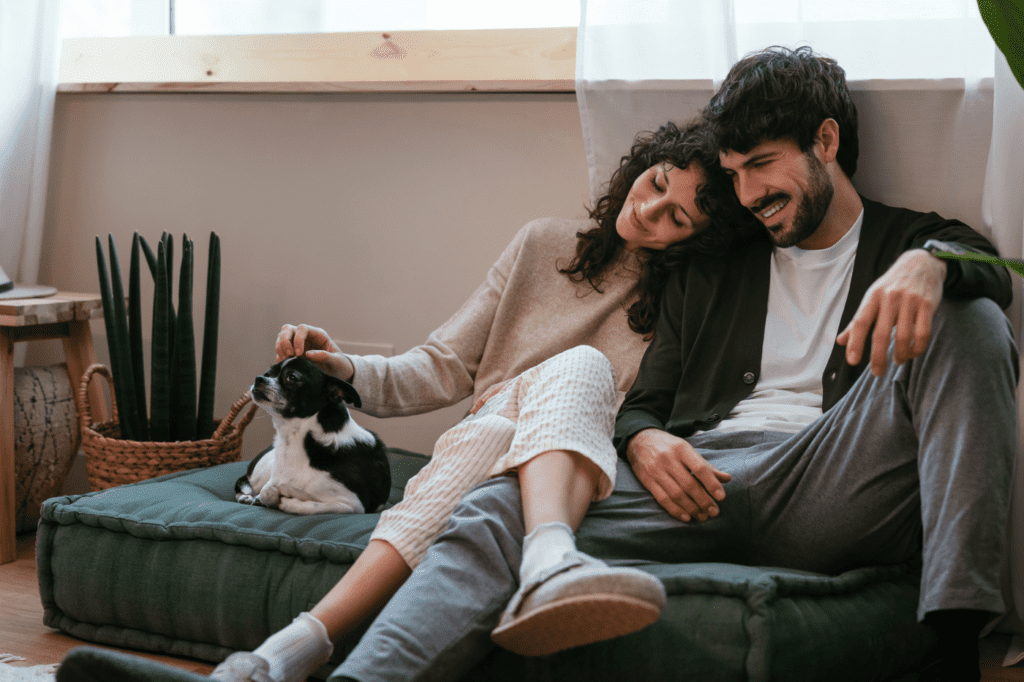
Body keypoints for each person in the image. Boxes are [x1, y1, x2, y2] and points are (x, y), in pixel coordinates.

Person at [312, 46, 1017, 682]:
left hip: (831, 478)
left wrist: (930, 266)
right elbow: (647, 398)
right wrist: (644, 439)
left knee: (973, 317)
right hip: (697, 482)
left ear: (826, 142)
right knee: (503, 505)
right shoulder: (713, 270)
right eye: (736, 174)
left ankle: (956, 641)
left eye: (763, 166)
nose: (748, 196)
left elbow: (990, 270)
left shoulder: (912, 240)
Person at [203, 119, 759, 682]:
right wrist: (344, 368)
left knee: (569, 377)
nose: (649, 210)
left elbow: (635, 414)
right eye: (656, 183)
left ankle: (288, 650)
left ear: (696, 240)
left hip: (564, 465)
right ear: (643, 166)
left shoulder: (683, 306)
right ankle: (548, 560)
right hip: (487, 437)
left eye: (677, 217)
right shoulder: (542, 244)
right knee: (494, 428)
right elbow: (444, 364)